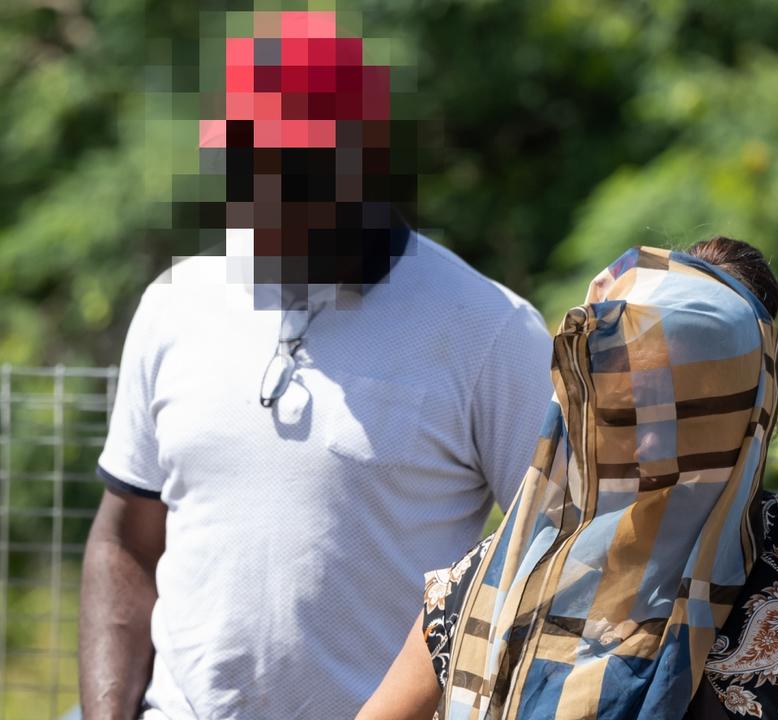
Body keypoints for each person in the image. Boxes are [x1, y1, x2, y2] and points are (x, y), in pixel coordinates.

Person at [77, 11, 552, 719]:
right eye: (242, 167)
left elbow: (555, 568)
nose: (258, 197)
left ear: (362, 159)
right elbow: (124, 542)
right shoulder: (175, 304)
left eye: (289, 172)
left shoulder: (487, 329)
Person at [360, 237, 778, 719]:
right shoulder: (492, 584)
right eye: (630, 403)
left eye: (690, 405)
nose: (652, 436)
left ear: (744, 415)